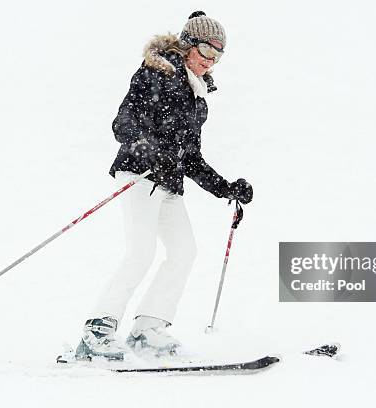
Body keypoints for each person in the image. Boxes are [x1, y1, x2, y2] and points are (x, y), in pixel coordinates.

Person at [75, 11, 253, 361]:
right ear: (188, 45)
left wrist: (226, 188)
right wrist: (152, 153)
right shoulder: (157, 73)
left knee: (184, 251)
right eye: (205, 51)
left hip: (168, 184)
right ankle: (97, 330)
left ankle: (146, 329)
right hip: (140, 176)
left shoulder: (196, 97)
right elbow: (122, 123)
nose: (210, 61)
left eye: (217, 56)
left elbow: (191, 159)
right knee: (141, 251)